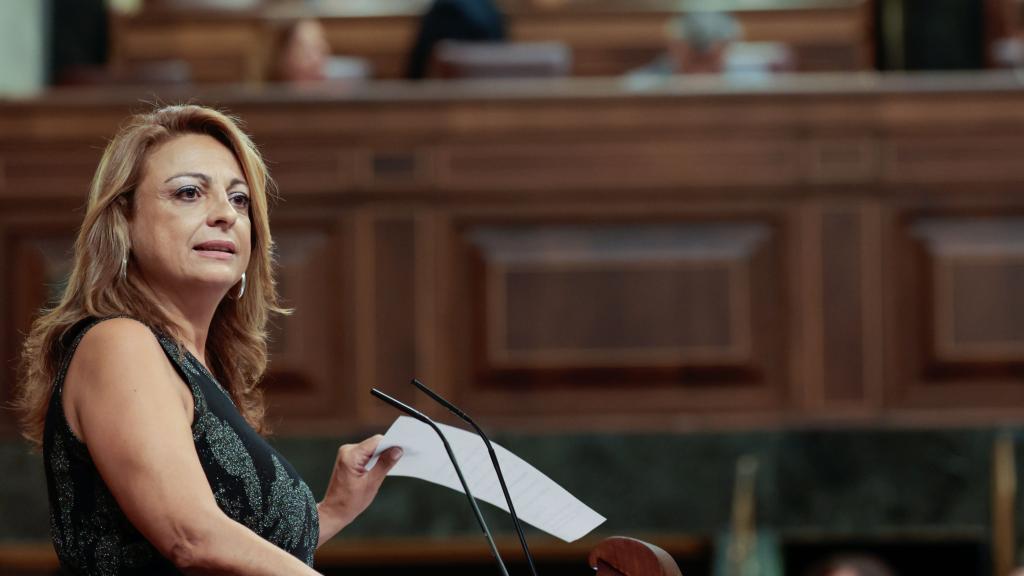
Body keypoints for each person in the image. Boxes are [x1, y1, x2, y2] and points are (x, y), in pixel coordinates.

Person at [15, 104, 403, 574]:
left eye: (239, 200)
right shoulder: (118, 344)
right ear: (124, 221)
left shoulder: (196, 365)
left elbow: (226, 546)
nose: (224, 214)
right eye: (189, 193)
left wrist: (335, 510)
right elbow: (190, 537)